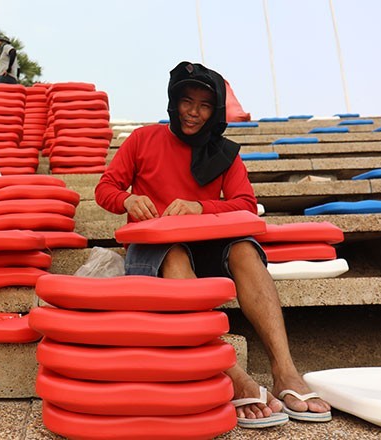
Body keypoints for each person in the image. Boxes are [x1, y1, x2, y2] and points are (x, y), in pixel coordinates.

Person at [95, 61, 332, 428]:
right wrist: (126, 200)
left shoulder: (225, 152)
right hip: (154, 248)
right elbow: (104, 188)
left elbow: (245, 205)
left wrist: (199, 208)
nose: (194, 112)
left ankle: (285, 372)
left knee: (245, 249)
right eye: (187, 102)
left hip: (205, 242)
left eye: (205, 105)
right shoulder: (143, 139)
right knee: (174, 255)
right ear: (174, 103)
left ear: (215, 109)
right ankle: (233, 374)